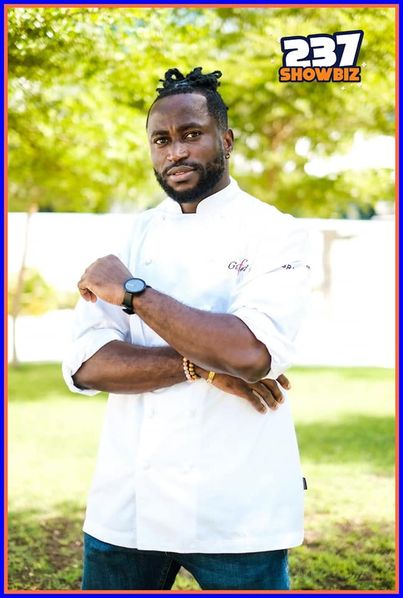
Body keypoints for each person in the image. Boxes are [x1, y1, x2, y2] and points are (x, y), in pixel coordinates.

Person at [62, 66, 311, 591]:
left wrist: (133, 294)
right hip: (126, 506)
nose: (175, 152)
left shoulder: (276, 233)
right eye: (161, 140)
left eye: (191, 134)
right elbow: (88, 365)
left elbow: (248, 354)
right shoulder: (132, 235)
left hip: (238, 512)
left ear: (226, 140)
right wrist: (202, 367)